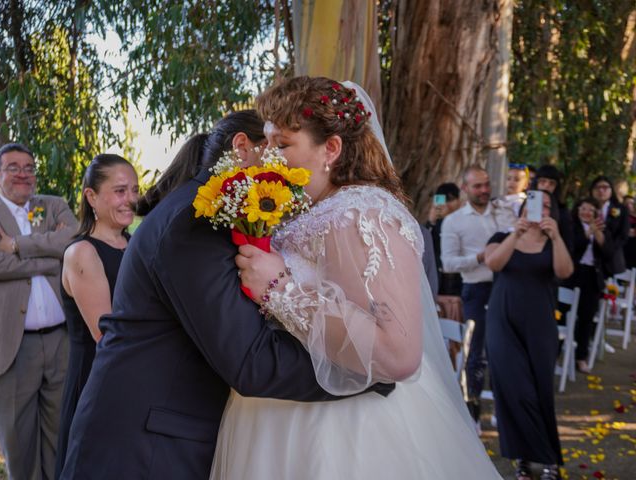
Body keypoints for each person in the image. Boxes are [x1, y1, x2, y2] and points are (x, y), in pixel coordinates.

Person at [59, 110, 392, 479]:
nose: (288, 169)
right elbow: (250, 361)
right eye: (278, 149)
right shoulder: (194, 223)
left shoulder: (207, 213)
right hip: (143, 449)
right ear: (243, 148)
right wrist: (365, 369)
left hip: (162, 436)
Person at [209, 77, 502, 479]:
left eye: (283, 145)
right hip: (280, 413)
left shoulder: (360, 212)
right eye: (269, 143)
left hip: (351, 427)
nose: (269, 157)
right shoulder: (305, 212)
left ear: (330, 148)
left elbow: (398, 353)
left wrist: (279, 290)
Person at [0, 142, 77, 479]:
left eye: (29, 167)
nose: (23, 174)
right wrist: (51, 259)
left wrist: (17, 247)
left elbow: (73, 241)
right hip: (13, 347)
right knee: (18, 442)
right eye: (13, 167)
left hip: (61, 341)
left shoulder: (53, 206)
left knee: (61, 434)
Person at [54, 154, 138, 477]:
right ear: (91, 197)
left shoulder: (134, 244)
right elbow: (107, 336)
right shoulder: (82, 253)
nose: (130, 199)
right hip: (96, 380)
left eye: (134, 189)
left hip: (133, 376)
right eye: (119, 191)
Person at [485, 190, 573, 480]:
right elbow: (493, 263)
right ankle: (525, 457)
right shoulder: (501, 235)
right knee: (513, 390)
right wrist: (515, 233)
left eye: (548, 205)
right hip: (502, 322)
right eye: (536, 204)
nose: (542, 209)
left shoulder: (553, 242)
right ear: (524, 208)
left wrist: (557, 237)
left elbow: (565, 271)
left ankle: (547, 461)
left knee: (539, 392)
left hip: (539, 326)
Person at [441, 166, 516, 428]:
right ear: (464, 189)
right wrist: (480, 258)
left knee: (506, 352)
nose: (485, 190)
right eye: (478, 186)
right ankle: (472, 414)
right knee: (475, 354)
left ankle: (503, 410)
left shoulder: (505, 214)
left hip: (508, 288)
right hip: (476, 290)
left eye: (486, 184)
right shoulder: (454, 221)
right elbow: (448, 263)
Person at [564, 198, 608, 374]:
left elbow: (608, 252)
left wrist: (597, 233)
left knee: (586, 318)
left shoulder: (601, 229)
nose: (586, 212)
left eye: (591, 210)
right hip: (573, 274)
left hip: (592, 276)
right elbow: (574, 247)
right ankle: (557, 351)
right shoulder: (571, 226)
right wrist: (588, 232)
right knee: (563, 313)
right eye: (583, 208)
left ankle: (581, 357)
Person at [426, 182, 462, 296]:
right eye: (443, 200)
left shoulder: (463, 219)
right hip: (437, 276)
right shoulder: (434, 223)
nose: (446, 205)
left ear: (459, 201)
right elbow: (426, 246)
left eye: (450, 200)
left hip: (457, 279)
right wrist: (431, 222)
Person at [590, 175, 629, 277]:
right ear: (592, 191)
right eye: (597, 187)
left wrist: (609, 248)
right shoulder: (586, 208)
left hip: (611, 262)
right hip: (588, 260)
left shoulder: (621, 209)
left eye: (605, 187)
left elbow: (623, 235)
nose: (601, 190)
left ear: (611, 190)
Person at [530, 164, 574, 253]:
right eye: (542, 181)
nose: (546, 186)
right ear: (536, 183)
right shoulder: (525, 206)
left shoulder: (563, 212)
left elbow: (568, 246)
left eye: (551, 183)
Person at [623, 195, 636, 269]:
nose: (629, 206)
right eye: (626, 204)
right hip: (625, 250)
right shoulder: (620, 218)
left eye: (631, 203)